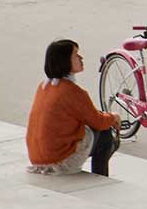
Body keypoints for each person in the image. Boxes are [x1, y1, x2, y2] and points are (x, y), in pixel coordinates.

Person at [25, 39, 119, 176]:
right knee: (105, 134)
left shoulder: (44, 87)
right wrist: (114, 117)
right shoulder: (71, 92)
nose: (81, 58)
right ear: (65, 60)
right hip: (59, 163)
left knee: (92, 127)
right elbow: (99, 121)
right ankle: (101, 175)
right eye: (75, 54)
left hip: (38, 159)